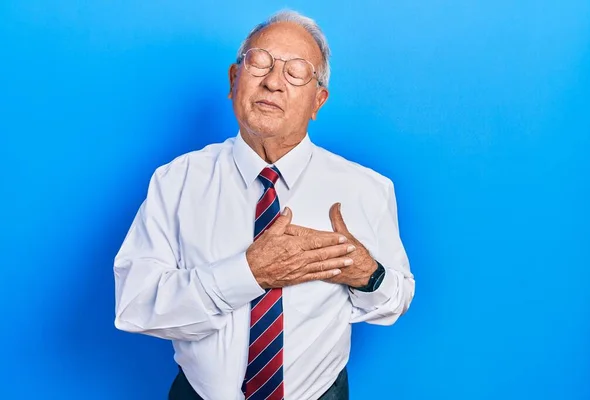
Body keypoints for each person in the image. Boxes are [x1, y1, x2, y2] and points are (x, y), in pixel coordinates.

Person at [113, 9, 415, 400]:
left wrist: (367, 274)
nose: (273, 82)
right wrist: (248, 273)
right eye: (259, 63)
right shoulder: (177, 181)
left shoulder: (365, 189)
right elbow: (135, 305)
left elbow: (396, 299)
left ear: (317, 101)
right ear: (234, 79)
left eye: (295, 72)